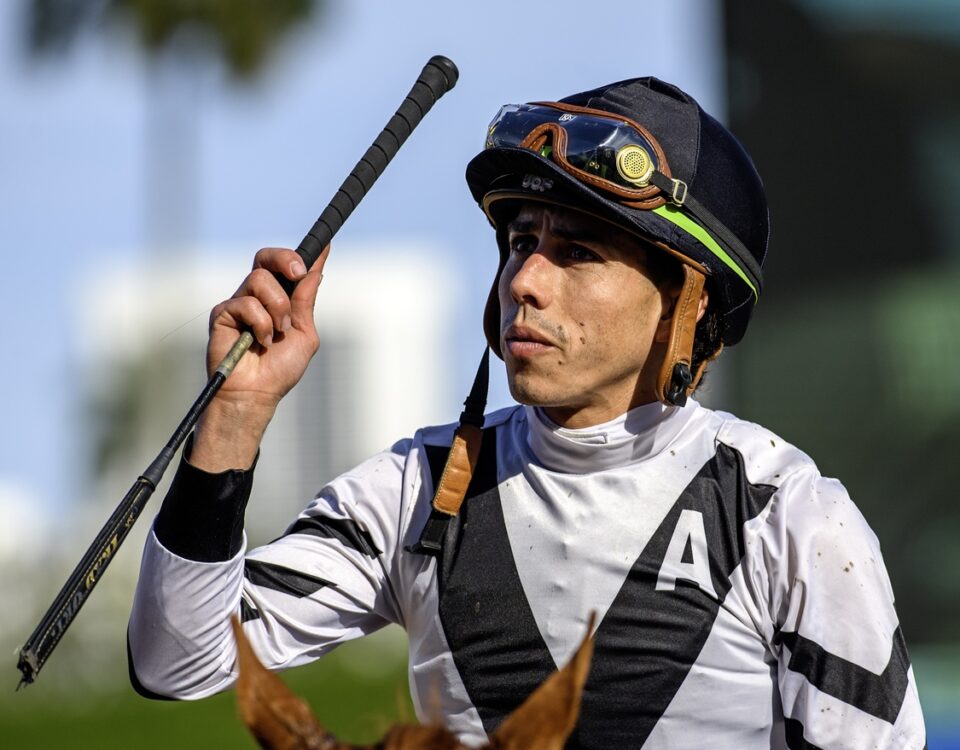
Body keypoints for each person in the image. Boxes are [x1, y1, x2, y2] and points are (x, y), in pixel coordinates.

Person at [128, 77, 926, 748]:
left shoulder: (789, 517)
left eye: (577, 251)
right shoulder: (419, 486)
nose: (525, 280)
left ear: (691, 301)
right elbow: (179, 660)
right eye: (519, 239)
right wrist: (236, 415)